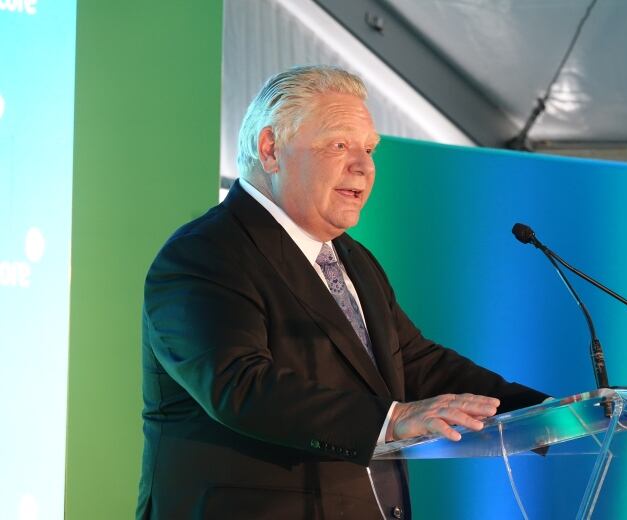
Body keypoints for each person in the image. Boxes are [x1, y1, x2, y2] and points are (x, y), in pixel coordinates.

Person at [136, 65, 548, 520]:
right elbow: (240, 386)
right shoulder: (206, 253)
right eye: (339, 145)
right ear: (271, 150)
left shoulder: (354, 259)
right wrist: (391, 420)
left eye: (369, 149)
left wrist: (548, 415)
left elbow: (414, 364)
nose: (364, 166)